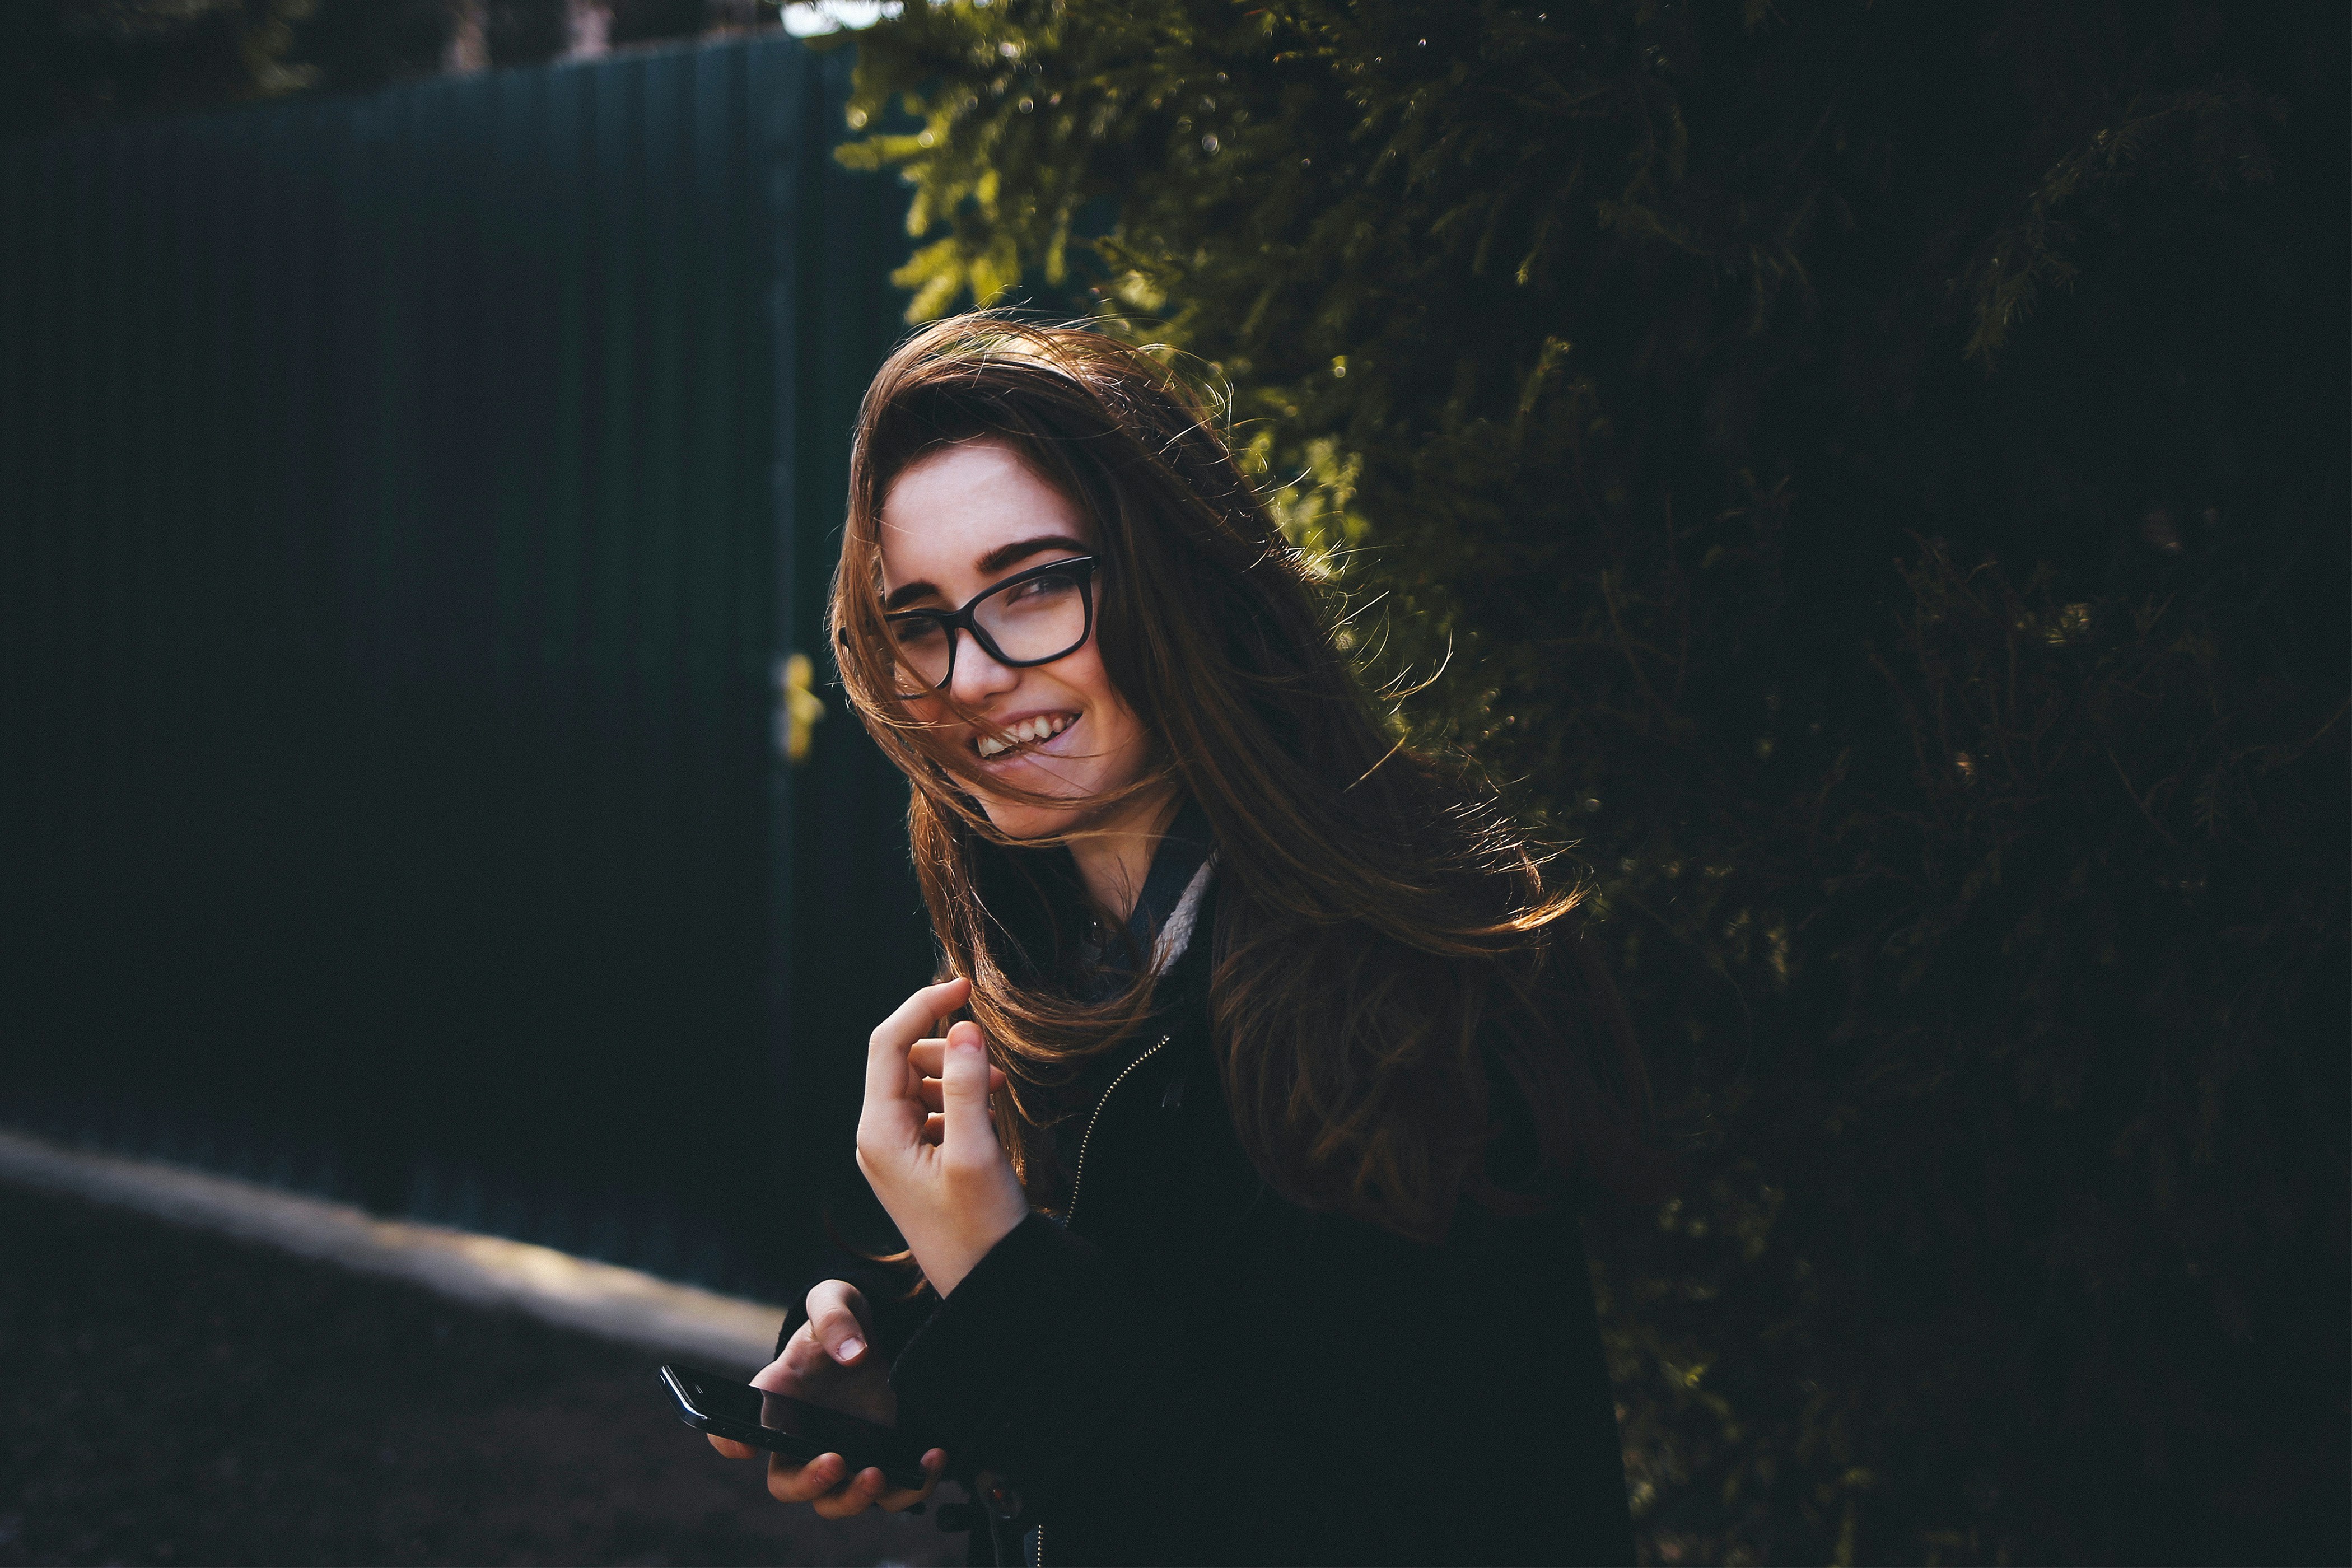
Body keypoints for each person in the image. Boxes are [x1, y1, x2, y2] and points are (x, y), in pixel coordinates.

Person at [708, 315, 1642, 1566]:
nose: (969, 675)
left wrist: (1000, 1283)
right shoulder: (1055, 961)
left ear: (1182, 575)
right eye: (919, 620)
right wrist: (907, 1356)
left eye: (1034, 583)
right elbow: (1163, 1357)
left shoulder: (1406, 990)